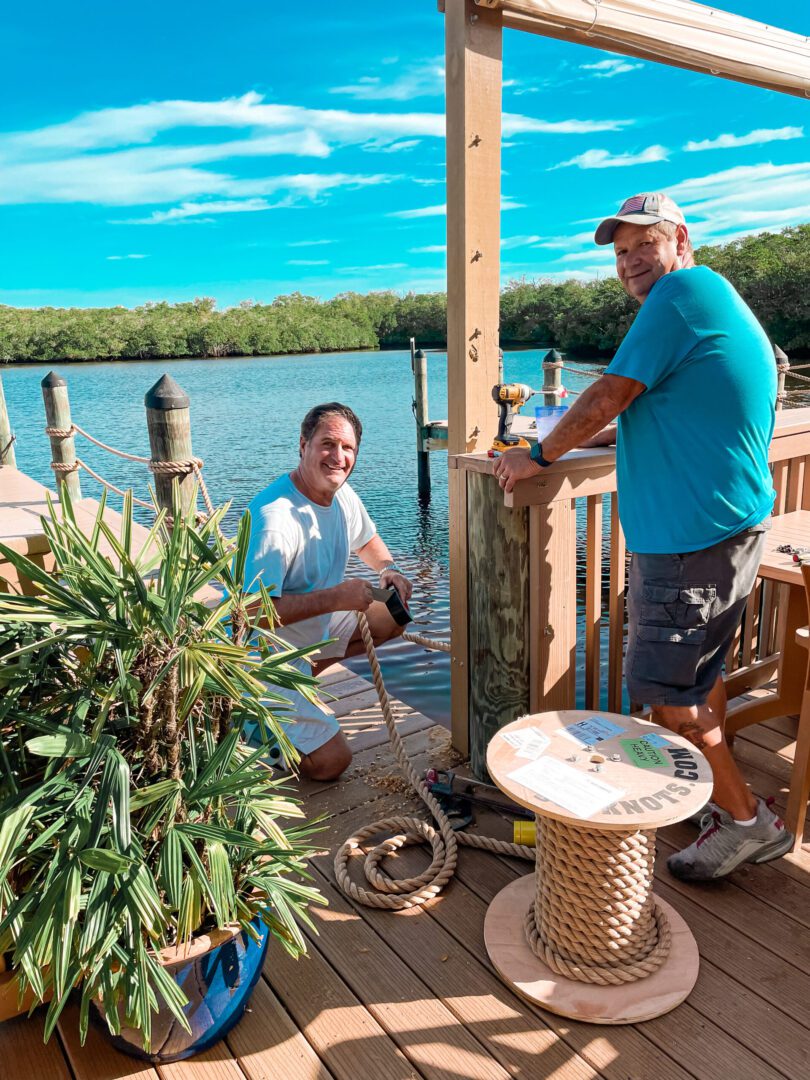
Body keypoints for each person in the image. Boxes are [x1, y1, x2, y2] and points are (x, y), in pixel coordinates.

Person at [494, 191, 793, 881]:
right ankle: (726, 800)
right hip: (721, 528)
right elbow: (641, 410)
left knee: (669, 694)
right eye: (620, 253)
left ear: (679, 240)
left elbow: (607, 395)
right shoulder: (707, 299)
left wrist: (534, 457)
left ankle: (747, 823)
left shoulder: (682, 293)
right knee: (697, 680)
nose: (630, 263)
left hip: (693, 542)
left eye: (642, 245)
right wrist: (583, 436)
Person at [243, 402, 412, 781]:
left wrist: (390, 569)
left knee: (391, 613)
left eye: (348, 448)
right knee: (332, 762)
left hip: (302, 639)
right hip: (259, 657)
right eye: (327, 444)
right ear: (303, 445)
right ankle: (251, 718)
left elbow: (367, 540)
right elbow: (252, 611)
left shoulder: (341, 494)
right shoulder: (275, 519)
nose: (338, 457)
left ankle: (302, 687)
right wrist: (337, 598)